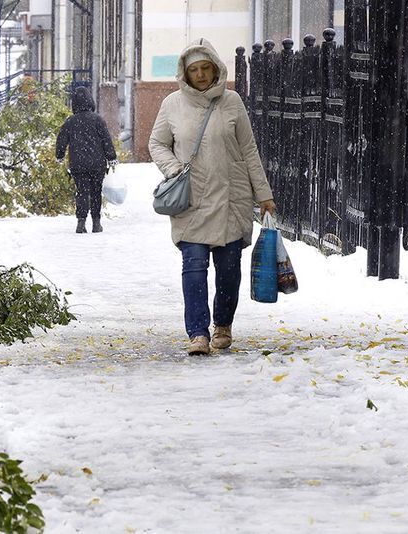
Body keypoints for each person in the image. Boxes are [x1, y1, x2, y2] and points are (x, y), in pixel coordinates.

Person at [148, 38, 276, 355]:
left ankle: (222, 325)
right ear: (185, 73)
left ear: (216, 68)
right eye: (195, 70)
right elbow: (157, 144)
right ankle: (198, 333)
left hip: (232, 197)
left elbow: (249, 150)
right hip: (191, 198)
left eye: (206, 68)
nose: (201, 75)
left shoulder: (231, 102)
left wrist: (264, 195)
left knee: (229, 269)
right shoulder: (172, 105)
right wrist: (174, 169)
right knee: (193, 265)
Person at [56, 86, 118, 233]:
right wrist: (112, 157)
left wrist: (59, 155)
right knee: (96, 192)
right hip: (97, 164)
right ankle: (96, 223)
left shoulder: (70, 121)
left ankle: (81, 222)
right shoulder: (98, 120)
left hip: (78, 164)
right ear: (90, 101)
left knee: (82, 192)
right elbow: (106, 140)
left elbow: (61, 140)